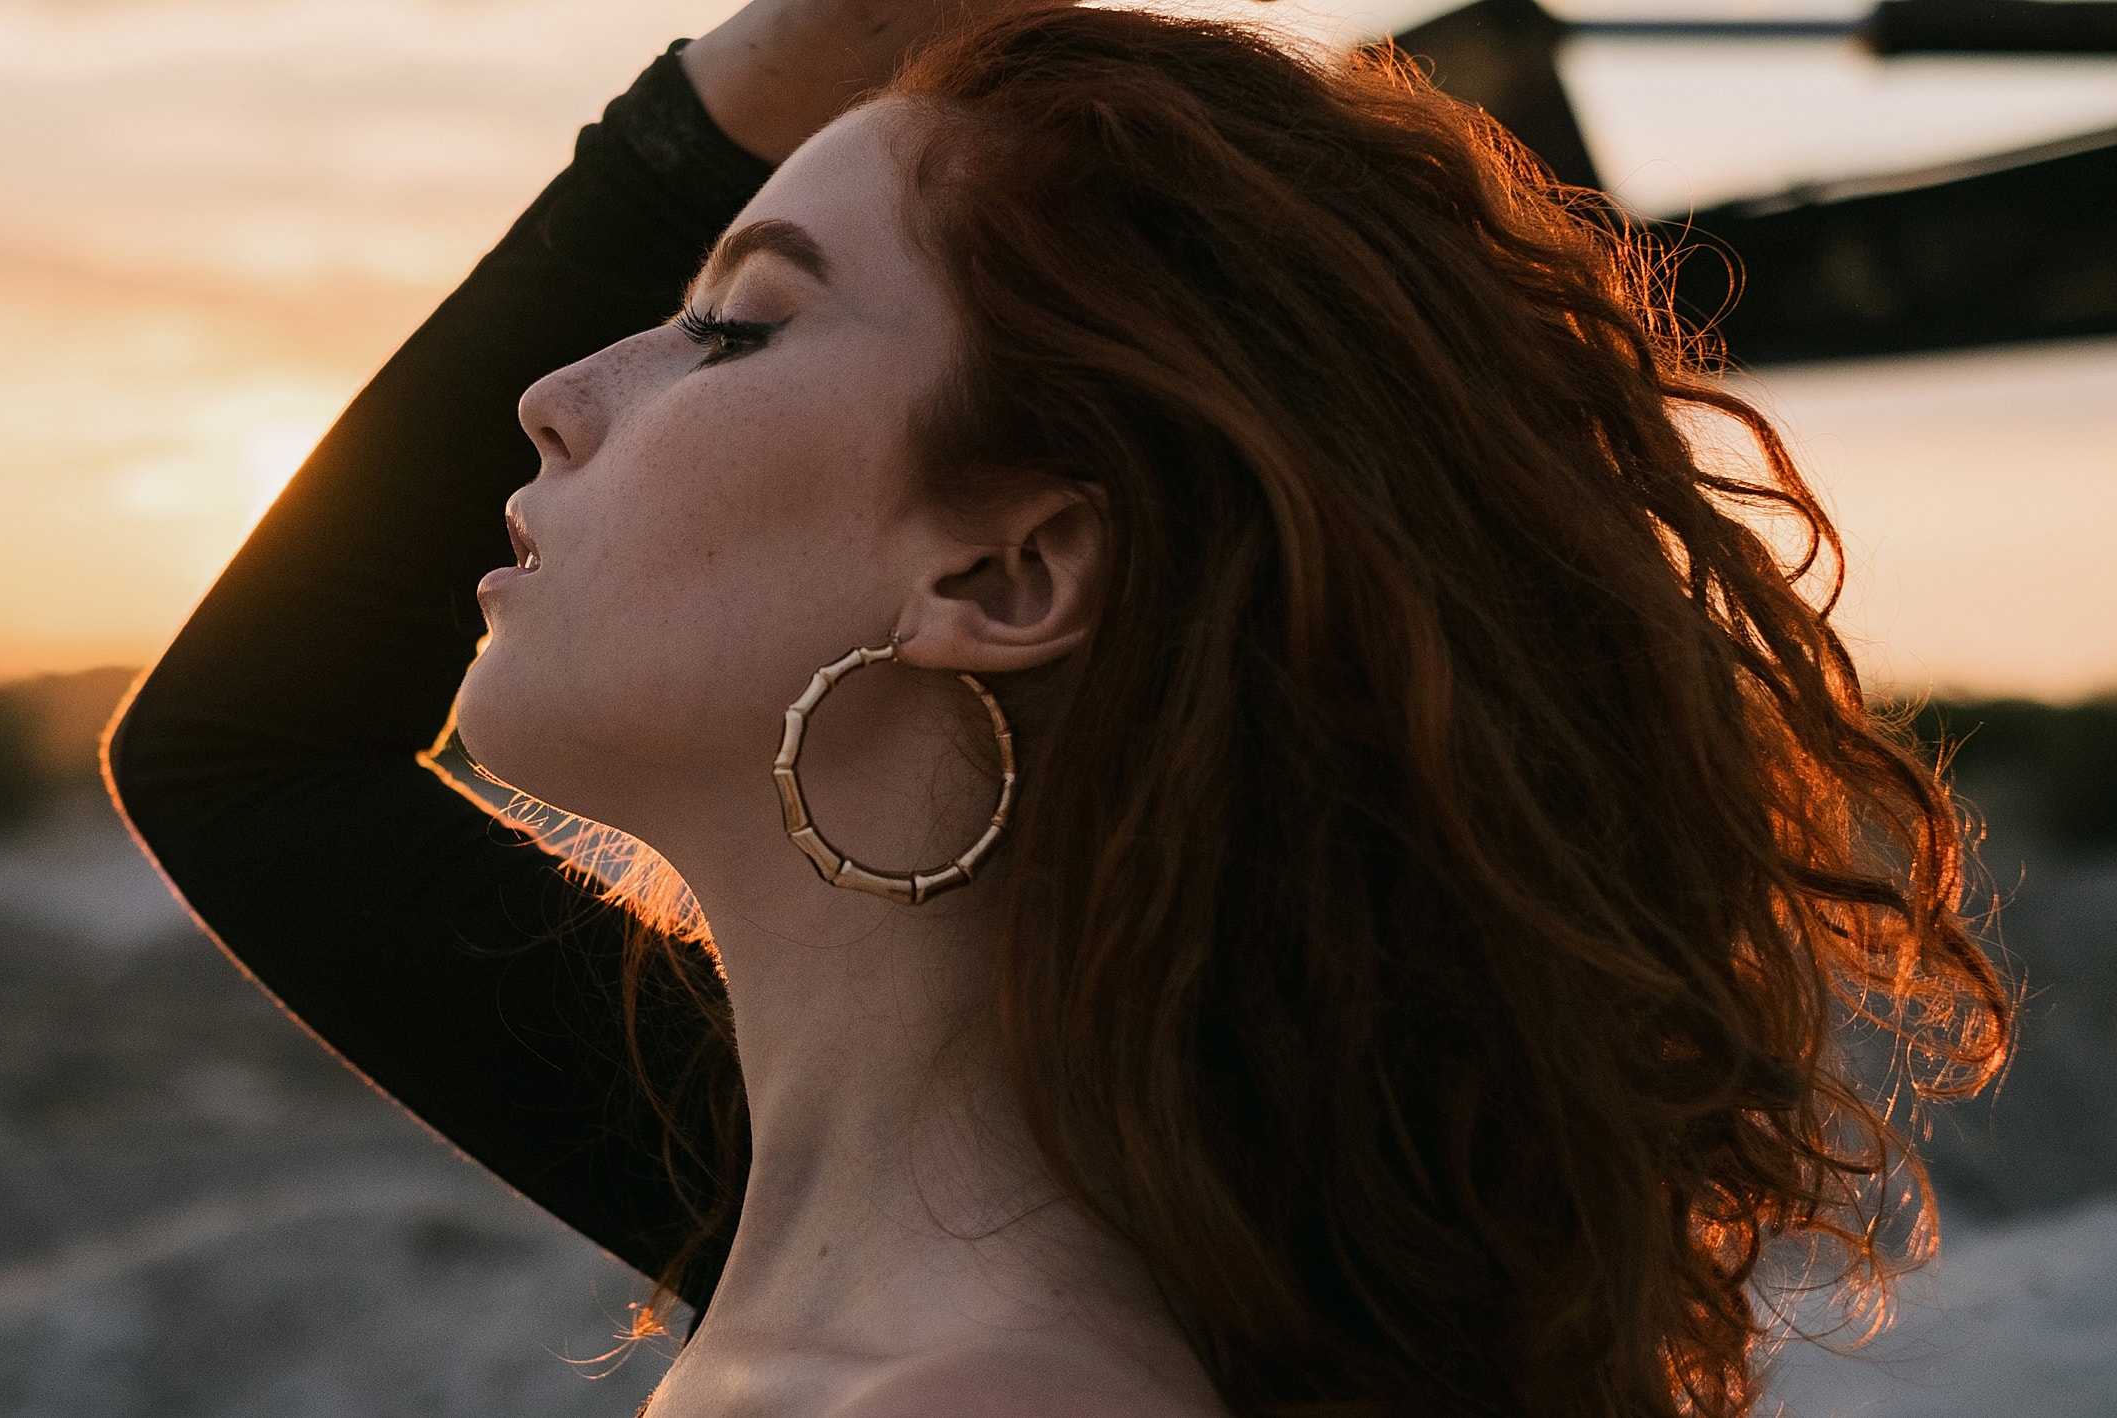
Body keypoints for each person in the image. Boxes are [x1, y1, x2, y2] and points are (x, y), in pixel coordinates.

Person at [106, 2, 2014, 1414]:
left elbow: (250, 754)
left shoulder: (988, 1357)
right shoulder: (943, 1213)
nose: (556, 395)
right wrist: (803, 53)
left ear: (1007, 575)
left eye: (739, 325)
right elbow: (245, 756)